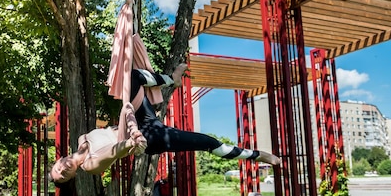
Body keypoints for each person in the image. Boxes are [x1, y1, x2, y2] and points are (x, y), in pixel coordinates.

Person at [49, 64, 280, 184]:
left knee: (132, 77)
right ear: (72, 177)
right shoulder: (90, 166)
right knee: (206, 142)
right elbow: (112, 151)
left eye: (58, 168)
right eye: (63, 176)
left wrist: (130, 123)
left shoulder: (81, 140)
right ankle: (258, 156)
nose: (63, 169)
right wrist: (131, 140)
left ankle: (172, 79)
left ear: (59, 160)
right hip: (146, 138)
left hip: (135, 121)